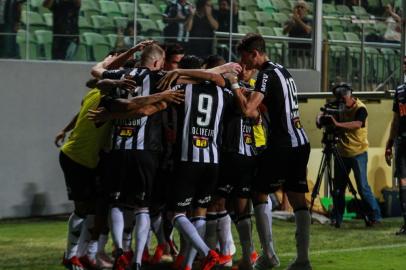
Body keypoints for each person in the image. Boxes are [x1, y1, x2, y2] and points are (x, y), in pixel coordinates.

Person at [91, 42, 184, 270]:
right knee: (143, 205)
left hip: (118, 149)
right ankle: (137, 259)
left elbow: (97, 71)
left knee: (116, 202)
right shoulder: (159, 78)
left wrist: (130, 52)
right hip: (145, 151)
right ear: (156, 62)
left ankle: (121, 251)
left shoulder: (120, 74)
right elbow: (144, 108)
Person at [233, 33, 311, 270]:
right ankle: (303, 260)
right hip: (301, 141)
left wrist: (234, 84)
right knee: (298, 198)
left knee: (258, 193)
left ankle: (269, 255)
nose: (243, 63)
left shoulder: (265, 74)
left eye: (245, 57)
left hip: (282, 144)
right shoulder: (282, 70)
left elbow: (248, 110)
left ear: (255, 54)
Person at [156, 62, 242, 270]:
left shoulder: (183, 90)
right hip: (212, 161)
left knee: (176, 214)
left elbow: (164, 90)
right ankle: (188, 265)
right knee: (200, 213)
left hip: (188, 160)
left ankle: (206, 253)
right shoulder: (225, 94)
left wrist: (179, 74)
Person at [324, 84, 382, 227]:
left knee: (362, 187)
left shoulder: (361, 108)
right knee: (338, 188)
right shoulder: (340, 105)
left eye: (342, 99)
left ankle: (375, 216)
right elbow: (324, 113)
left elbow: (357, 124)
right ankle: (337, 218)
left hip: (358, 152)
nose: (341, 103)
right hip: (342, 153)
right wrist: (321, 118)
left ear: (348, 96)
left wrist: (337, 124)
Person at [385, 56, 406, 235]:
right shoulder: (400, 91)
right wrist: (389, 143)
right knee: (402, 180)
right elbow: (396, 119)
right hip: (402, 141)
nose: (405, 66)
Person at [283, 1, 312, 68]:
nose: (299, 9)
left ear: (306, 10)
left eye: (302, 7)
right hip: (293, 52)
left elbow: (308, 30)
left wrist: (298, 20)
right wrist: (291, 23)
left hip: (305, 54)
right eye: (297, 7)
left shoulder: (309, 21)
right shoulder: (290, 20)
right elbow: (284, 32)